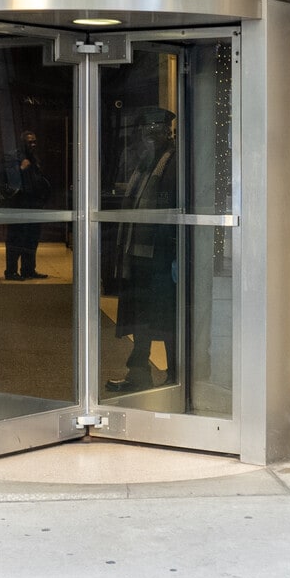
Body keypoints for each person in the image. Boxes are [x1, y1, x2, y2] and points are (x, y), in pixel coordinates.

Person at [109, 105, 177, 393]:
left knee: (165, 319)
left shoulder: (172, 163)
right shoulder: (145, 164)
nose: (148, 136)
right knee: (140, 317)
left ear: (165, 133)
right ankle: (138, 374)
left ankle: (175, 377)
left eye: (154, 131)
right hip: (137, 253)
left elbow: (171, 208)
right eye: (145, 131)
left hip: (159, 256)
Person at [1, 129, 50, 279]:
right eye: (30, 142)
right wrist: (20, 168)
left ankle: (28, 269)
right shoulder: (12, 157)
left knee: (31, 238)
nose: (33, 145)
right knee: (16, 239)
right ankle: (11, 271)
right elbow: (3, 177)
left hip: (34, 204)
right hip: (19, 204)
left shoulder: (34, 158)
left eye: (34, 142)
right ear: (22, 143)